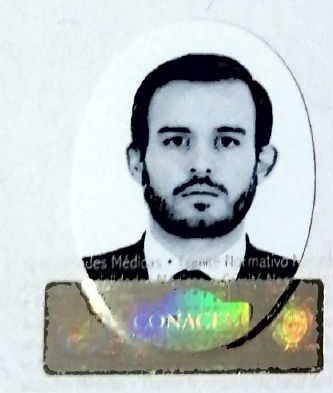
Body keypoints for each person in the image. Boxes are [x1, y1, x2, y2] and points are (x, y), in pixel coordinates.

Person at [83, 53, 299, 281]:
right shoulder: (84, 282)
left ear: (262, 163)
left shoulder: (300, 284)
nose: (201, 165)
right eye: (176, 141)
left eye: (227, 141)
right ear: (137, 162)